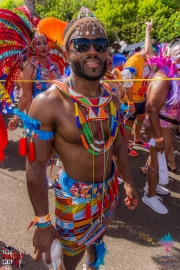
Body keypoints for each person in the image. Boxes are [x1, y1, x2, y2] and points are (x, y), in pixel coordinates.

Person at [14, 8, 139, 270]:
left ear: (107, 52)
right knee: (70, 260)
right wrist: (43, 223)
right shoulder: (48, 104)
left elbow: (118, 145)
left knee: (96, 245)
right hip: (75, 202)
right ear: (67, 52)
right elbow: (35, 167)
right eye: (82, 45)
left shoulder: (112, 100)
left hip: (108, 194)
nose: (92, 51)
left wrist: (127, 182)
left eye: (100, 45)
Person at [142, 38, 180, 214]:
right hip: (160, 125)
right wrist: (158, 137)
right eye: (178, 52)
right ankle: (149, 196)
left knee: (157, 159)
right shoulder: (163, 76)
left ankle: (152, 186)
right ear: (169, 52)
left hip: (166, 126)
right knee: (156, 161)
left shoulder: (173, 75)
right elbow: (152, 109)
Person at [123, 19, 157, 157]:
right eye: (154, 55)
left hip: (141, 97)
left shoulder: (146, 61)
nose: (154, 58)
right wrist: (130, 102)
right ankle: (124, 147)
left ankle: (136, 139)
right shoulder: (134, 60)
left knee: (141, 117)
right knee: (128, 124)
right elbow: (126, 81)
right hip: (131, 99)